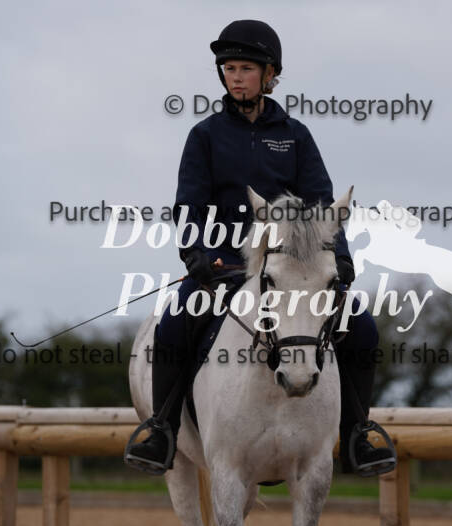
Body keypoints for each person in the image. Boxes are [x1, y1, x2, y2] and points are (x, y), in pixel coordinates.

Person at [125, 20, 396, 476]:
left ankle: (356, 433)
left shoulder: (296, 136)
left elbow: (322, 206)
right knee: (173, 322)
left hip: (290, 270)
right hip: (224, 266)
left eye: (245, 69)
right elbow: (189, 206)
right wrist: (196, 254)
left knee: (363, 328)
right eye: (228, 69)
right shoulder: (205, 135)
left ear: (270, 75)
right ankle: (162, 429)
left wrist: (340, 257)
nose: (235, 77)